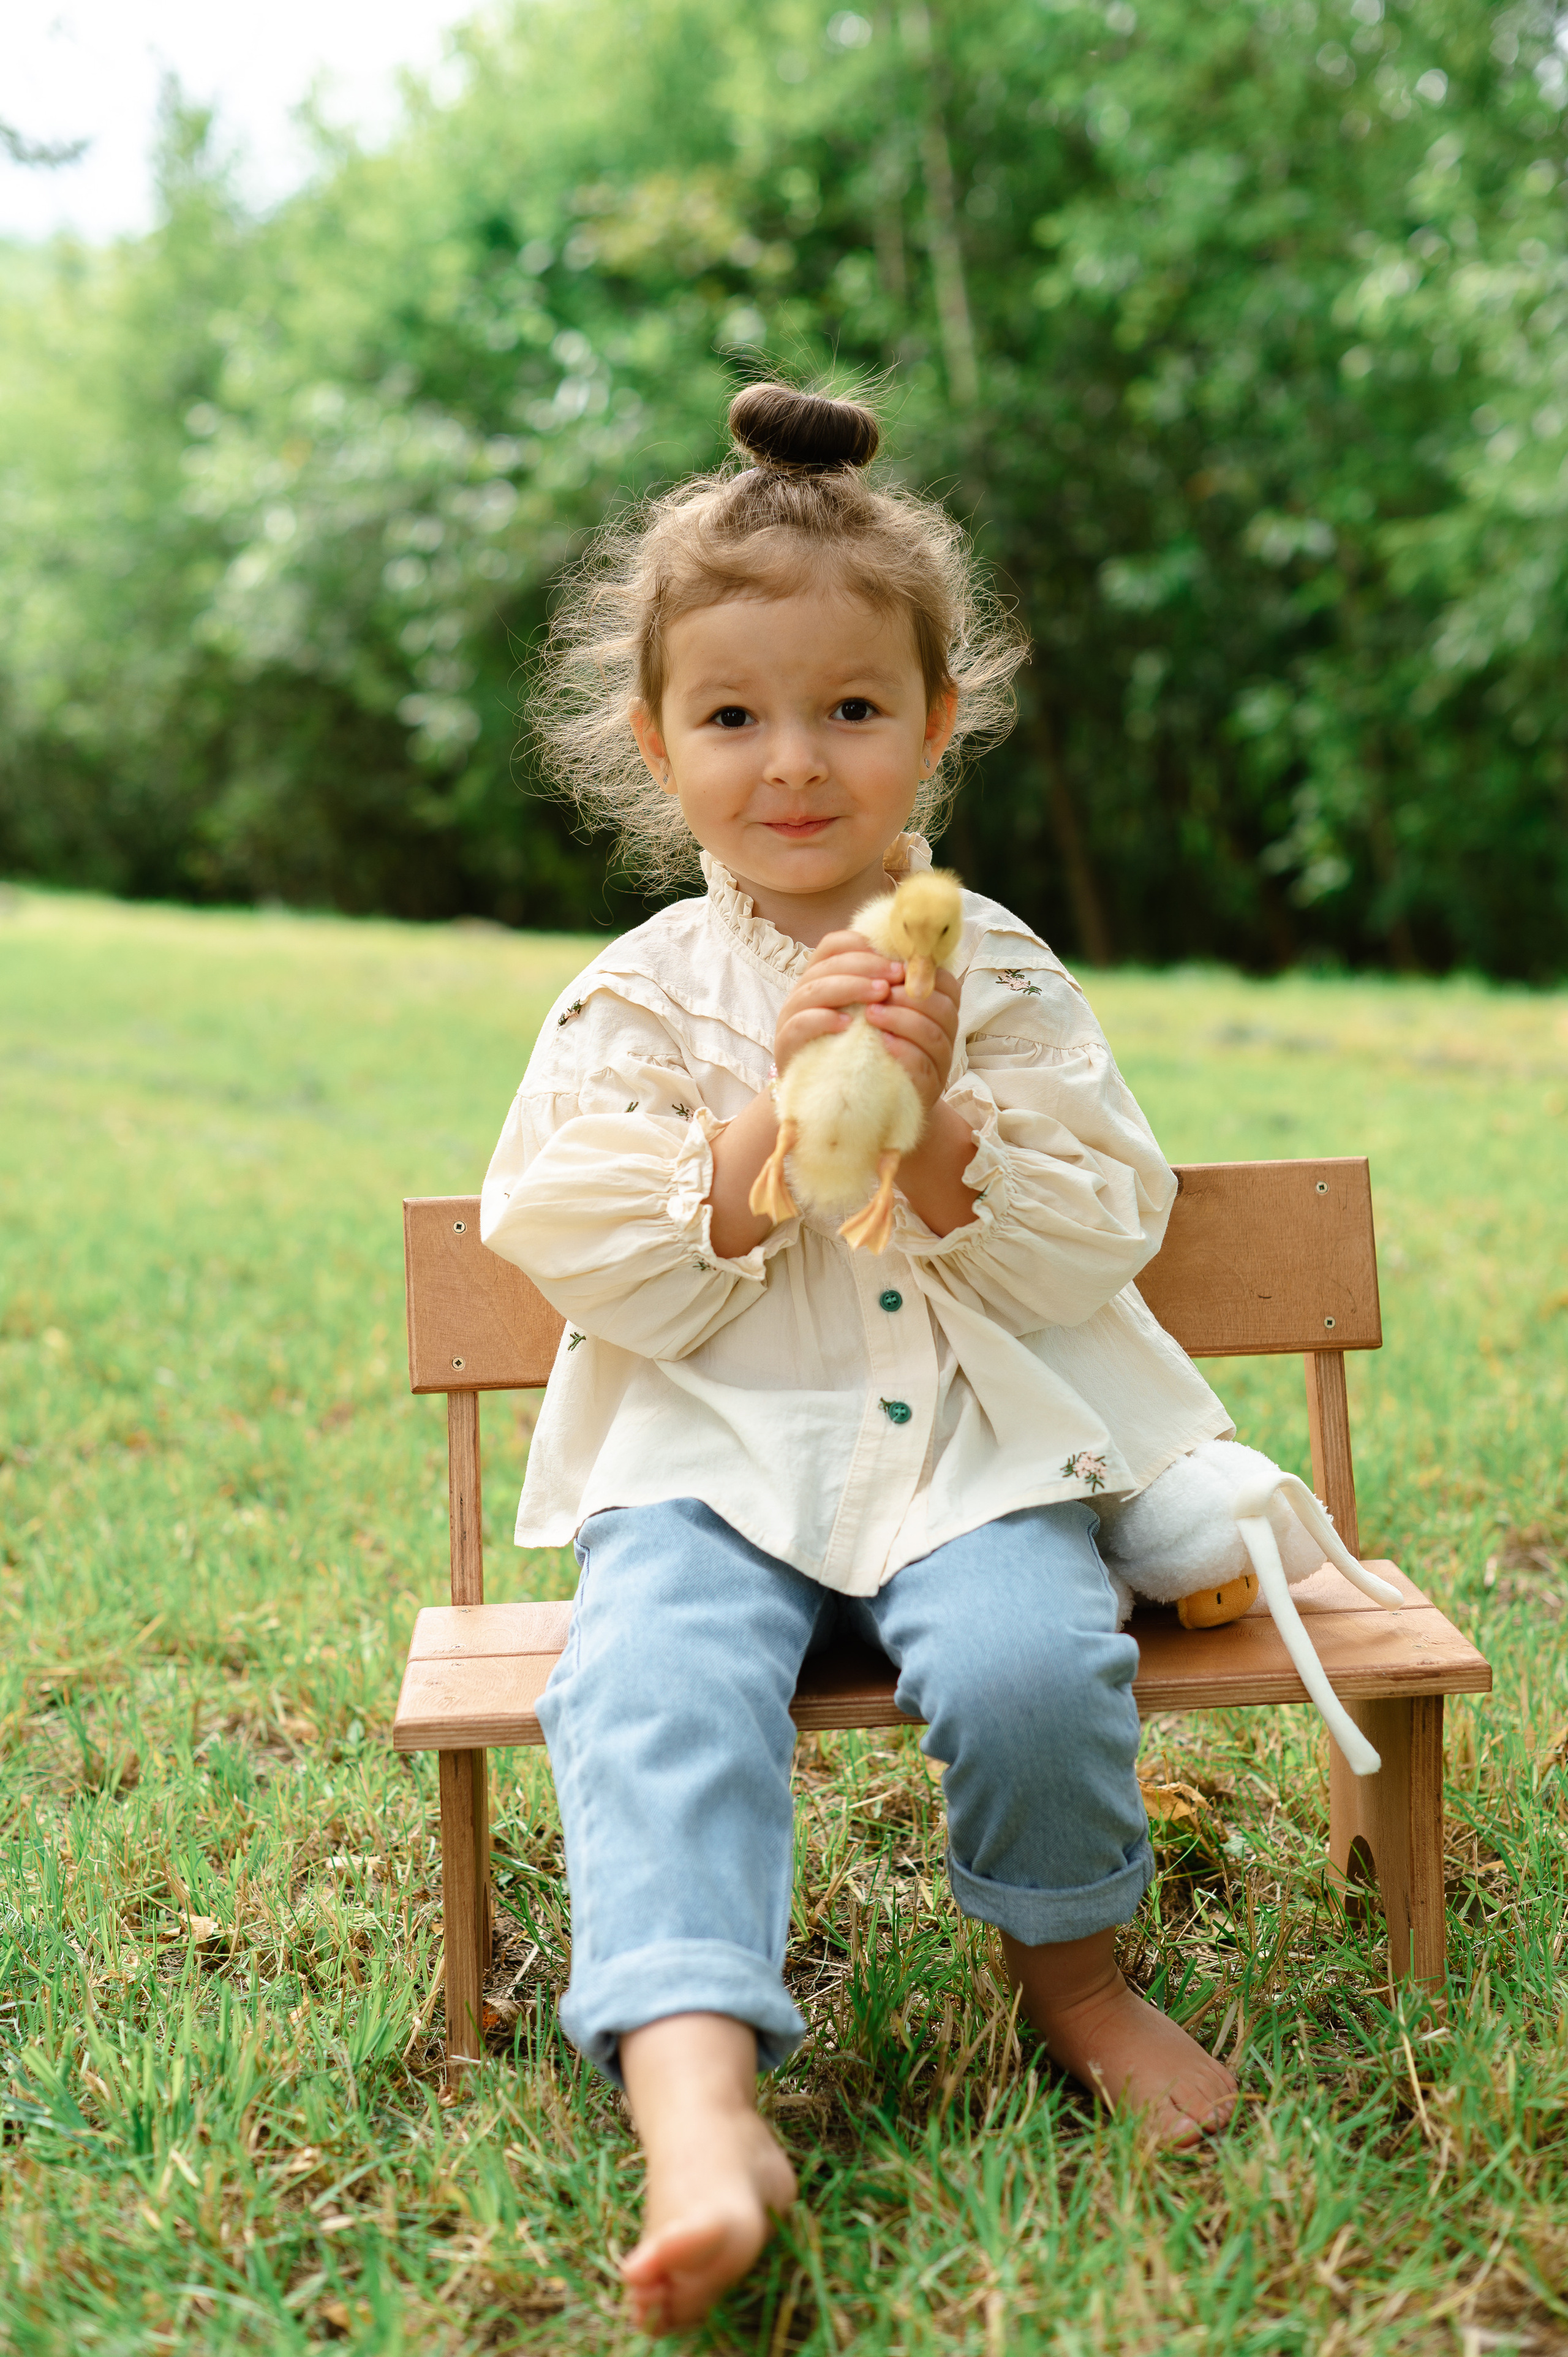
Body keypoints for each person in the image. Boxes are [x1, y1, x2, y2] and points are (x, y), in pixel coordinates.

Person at [481, 382, 1240, 2334]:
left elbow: (1108, 1214)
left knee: (1029, 1664)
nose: (793, 763)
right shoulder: (639, 992)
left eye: (849, 711)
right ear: (657, 745)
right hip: (713, 1457)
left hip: (958, 1449)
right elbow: (572, 1237)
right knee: (645, 1681)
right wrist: (759, 1140)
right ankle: (696, 2097)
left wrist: (948, 1122)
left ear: (936, 725)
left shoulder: (995, 969)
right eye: (733, 717)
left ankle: (1075, 1985)